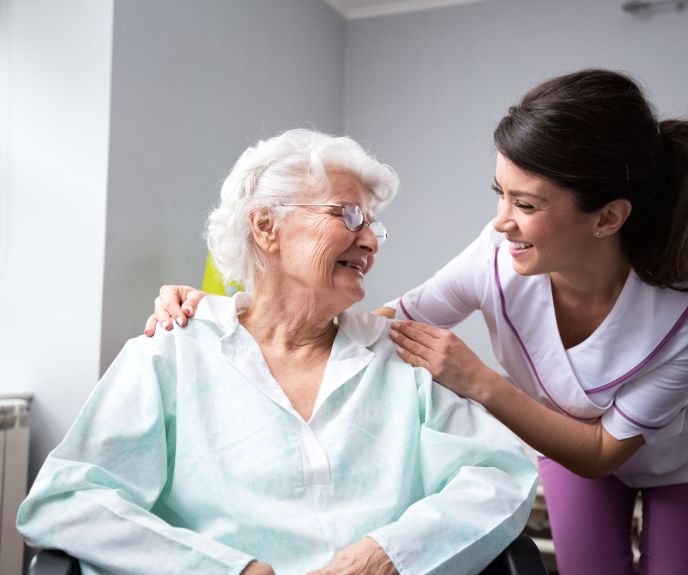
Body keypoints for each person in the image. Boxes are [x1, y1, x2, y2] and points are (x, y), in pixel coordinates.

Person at [148, 70, 688, 575]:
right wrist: (230, 314)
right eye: (500, 193)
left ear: (606, 218)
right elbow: (385, 325)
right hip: (564, 448)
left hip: (686, 457)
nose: (500, 222)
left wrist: (478, 380)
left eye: (527, 204)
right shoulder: (496, 258)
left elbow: (601, 452)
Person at [17, 129, 538, 575]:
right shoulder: (171, 354)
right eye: (349, 214)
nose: (372, 242)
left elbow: (500, 477)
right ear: (266, 226)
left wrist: (386, 556)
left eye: (373, 226)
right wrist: (228, 570)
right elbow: (69, 500)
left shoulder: (403, 359)